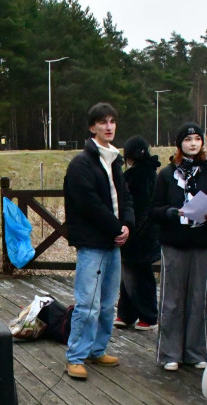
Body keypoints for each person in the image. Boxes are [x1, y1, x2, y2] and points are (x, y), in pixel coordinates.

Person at [61, 102, 133, 380]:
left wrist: (127, 225)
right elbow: (88, 204)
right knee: (87, 303)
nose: (109, 126)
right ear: (92, 127)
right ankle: (75, 356)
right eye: (103, 122)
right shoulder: (81, 163)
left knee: (107, 304)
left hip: (113, 242)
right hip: (93, 244)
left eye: (112, 121)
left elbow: (124, 197)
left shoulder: (114, 160)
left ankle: (97, 349)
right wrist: (116, 227)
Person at [152, 122, 207, 371]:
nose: (193, 143)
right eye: (188, 139)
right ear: (179, 144)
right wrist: (173, 212)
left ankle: (196, 352)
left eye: (197, 139)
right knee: (172, 300)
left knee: (198, 298)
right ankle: (170, 353)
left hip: (201, 243)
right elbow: (154, 210)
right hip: (174, 242)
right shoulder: (166, 174)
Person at [114, 136, 161, 331]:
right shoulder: (149, 173)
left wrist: (131, 229)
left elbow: (139, 207)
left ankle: (149, 317)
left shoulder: (139, 176)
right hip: (144, 233)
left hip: (139, 233)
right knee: (129, 275)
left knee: (140, 276)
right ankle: (126, 314)